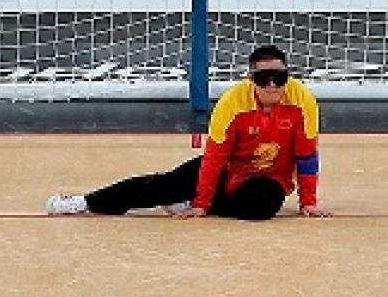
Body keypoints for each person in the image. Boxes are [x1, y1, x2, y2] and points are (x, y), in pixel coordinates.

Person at [46, 45, 331, 220]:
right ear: (250, 78)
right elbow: (216, 156)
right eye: (262, 78)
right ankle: (84, 202)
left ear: (288, 77)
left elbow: (306, 157)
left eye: (279, 77)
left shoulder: (303, 102)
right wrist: (203, 203)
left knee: (262, 208)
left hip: (270, 179)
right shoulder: (232, 103)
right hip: (229, 171)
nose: (272, 85)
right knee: (161, 185)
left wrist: (308, 202)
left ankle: (190, 202)